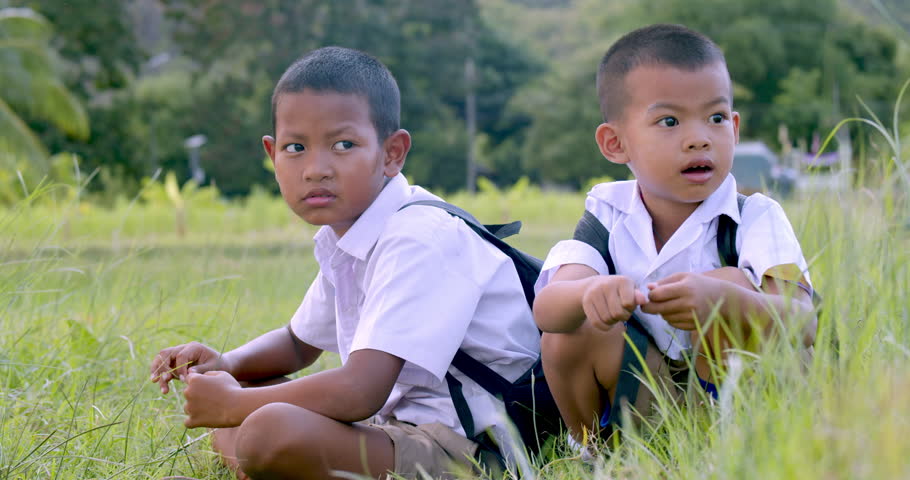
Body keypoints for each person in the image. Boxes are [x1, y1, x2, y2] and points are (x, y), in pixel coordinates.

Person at [149, 46, 540, 480]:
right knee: (254, 398)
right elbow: (298, 343)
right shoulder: (349, 238)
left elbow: (360, 391)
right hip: (396, 431)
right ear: (272, 153)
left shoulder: (418, 237)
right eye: (295, 148)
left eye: (343, 145)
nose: (316, 169)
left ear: (392, 152)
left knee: (265, 428)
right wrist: (226, 366)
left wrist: (233, 405)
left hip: (476, 452)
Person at [532, 24, 817, 450]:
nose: (700, 138)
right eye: (669, 121)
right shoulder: (607, 216)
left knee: (733, 284)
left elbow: (803, 321)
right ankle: (598, 451)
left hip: (740, 401)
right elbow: (548, 311)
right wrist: (592, 292)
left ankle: (738, 449)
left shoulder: (755, 216)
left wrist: (726, 301)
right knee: (573, 327)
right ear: (615, 143)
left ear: (734, 129)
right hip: (649, 397)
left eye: (716, 118)